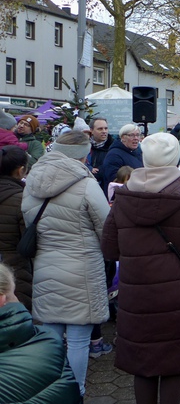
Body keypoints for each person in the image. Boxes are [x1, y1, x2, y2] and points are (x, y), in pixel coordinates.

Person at [101, 132, 180, 404]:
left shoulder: (123, 197)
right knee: (173, 364)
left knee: (143, 363)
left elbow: (109, 250)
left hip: (137, 294)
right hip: (178, 293)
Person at [21, 131, 112, 398]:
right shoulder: (86, 183)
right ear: (83, 155)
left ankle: (50, 393)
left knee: (50, 338)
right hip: (83, 267)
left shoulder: (33, 181)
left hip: (45, 266)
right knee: (79, 341)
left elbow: (30, 224)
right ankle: (75, 393)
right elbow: (106, 228)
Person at [0, 262, 81, 403]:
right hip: (79, 277)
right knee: (79, 339)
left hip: (47, 276)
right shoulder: (49, 342)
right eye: (13, 293)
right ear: (2, 300)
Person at [0, 146, 32, 310]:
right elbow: (28, 241)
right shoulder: (22, 199)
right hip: (15, 270)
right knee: (15, 319)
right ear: (21, 171)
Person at [100, 123, 144, 194]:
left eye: (138, 135)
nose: (136, 138)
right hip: (122, 196)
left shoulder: (138, 152)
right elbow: (114, 180)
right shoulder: (114, 155)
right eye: (131, 135)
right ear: (123, 137)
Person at [89, 117, 114, 190]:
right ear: (91, 130)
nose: (104, 131)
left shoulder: (113, 148)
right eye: (100, 129)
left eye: (106, 128)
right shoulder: (84, 147)